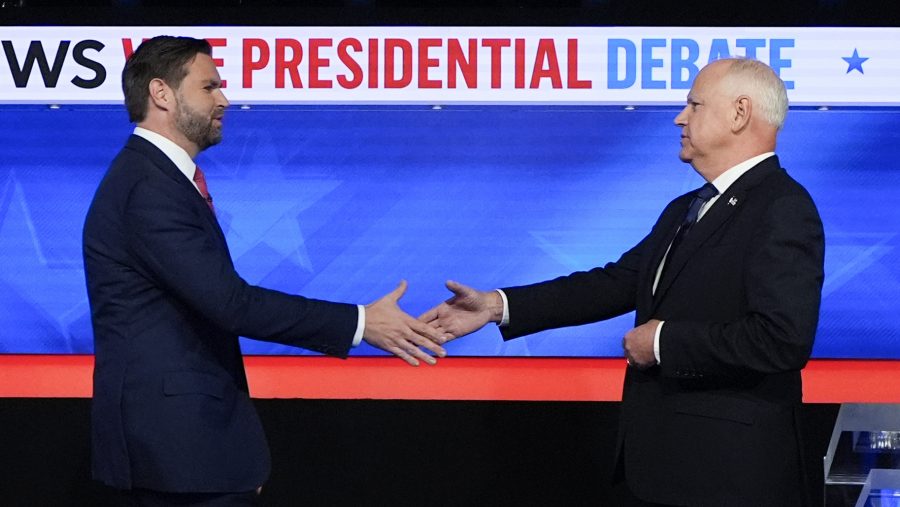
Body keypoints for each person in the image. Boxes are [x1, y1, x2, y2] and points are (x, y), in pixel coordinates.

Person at [421, 57, 825, 506]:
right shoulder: (684, 208)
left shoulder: (781, 207)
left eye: (694, 105)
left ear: (739, 113)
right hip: (667, 470)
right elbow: (613, 283)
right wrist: (498, 306)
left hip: (732, 477)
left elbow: (783, 339)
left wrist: (663, 344)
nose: (680, 117)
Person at [83, 35, 446, 504]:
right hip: (177, 456)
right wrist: (360, 323)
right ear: (162, 94)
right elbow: (231, 304)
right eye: (209, 87)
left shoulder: (156, 178)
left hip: (189, 454)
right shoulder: (148, 187)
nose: (224, 100)